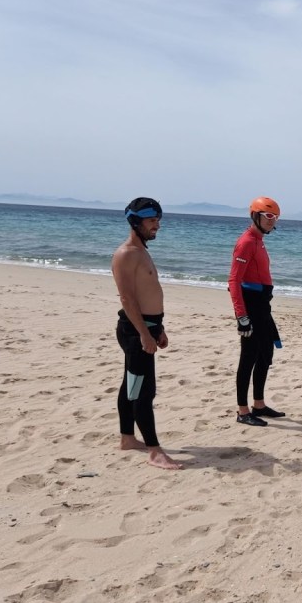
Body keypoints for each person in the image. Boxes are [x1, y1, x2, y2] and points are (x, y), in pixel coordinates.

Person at [111, 197, 183, 470]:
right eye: (152, 221)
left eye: (158, 221)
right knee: (143, 390)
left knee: (130, 384)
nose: (157, 226)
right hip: (134, 330)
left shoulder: (141, 250)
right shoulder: (126, 254)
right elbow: (128, 299)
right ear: (135, 221)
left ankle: (127, 439)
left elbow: (147, 294)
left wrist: (158, 328)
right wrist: (144, 334)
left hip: (148, 328)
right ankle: (154, 450)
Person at [229, 196, 287, 427]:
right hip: (251, 306)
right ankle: (243, 411)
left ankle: (259, 405)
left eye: (275, 217)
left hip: (263, 306)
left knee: (265, 355)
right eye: (268, 216)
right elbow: (234, 281)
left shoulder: (259, 240)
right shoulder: (246, 242)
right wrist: (241, 317)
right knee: (248, 358)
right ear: (256, 216)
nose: (272, 221)